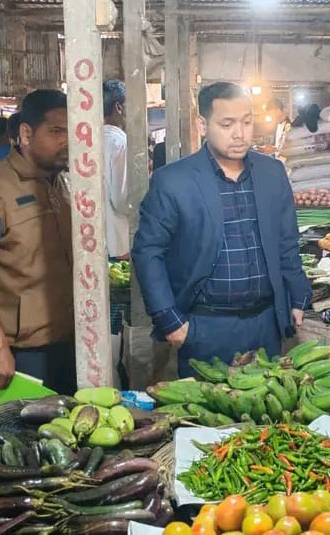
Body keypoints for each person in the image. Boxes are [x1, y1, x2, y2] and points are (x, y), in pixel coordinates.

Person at [132, 81, 312, 378]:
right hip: (204, 326)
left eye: (246, 122)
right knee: (207, 406)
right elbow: (148, 252)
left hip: (266, 323)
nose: (239, 134)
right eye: (227, 124)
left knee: (265, 404)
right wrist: (170, 320)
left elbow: (286, 242)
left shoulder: (272, 173)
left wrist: (298, 296)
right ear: (203, 125)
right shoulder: (174, 181)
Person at [0, 89, 76, 394]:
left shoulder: (62, 184)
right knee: (20, 425)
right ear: (25, 134)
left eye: (72, 130)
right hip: (22, 350)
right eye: (56, 131)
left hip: (69, 338)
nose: (67, 141)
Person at [102, 78, 132, 259]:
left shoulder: (89, 142)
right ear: (119, 107)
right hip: (119, 243)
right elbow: (121, 200)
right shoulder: (120, 142)